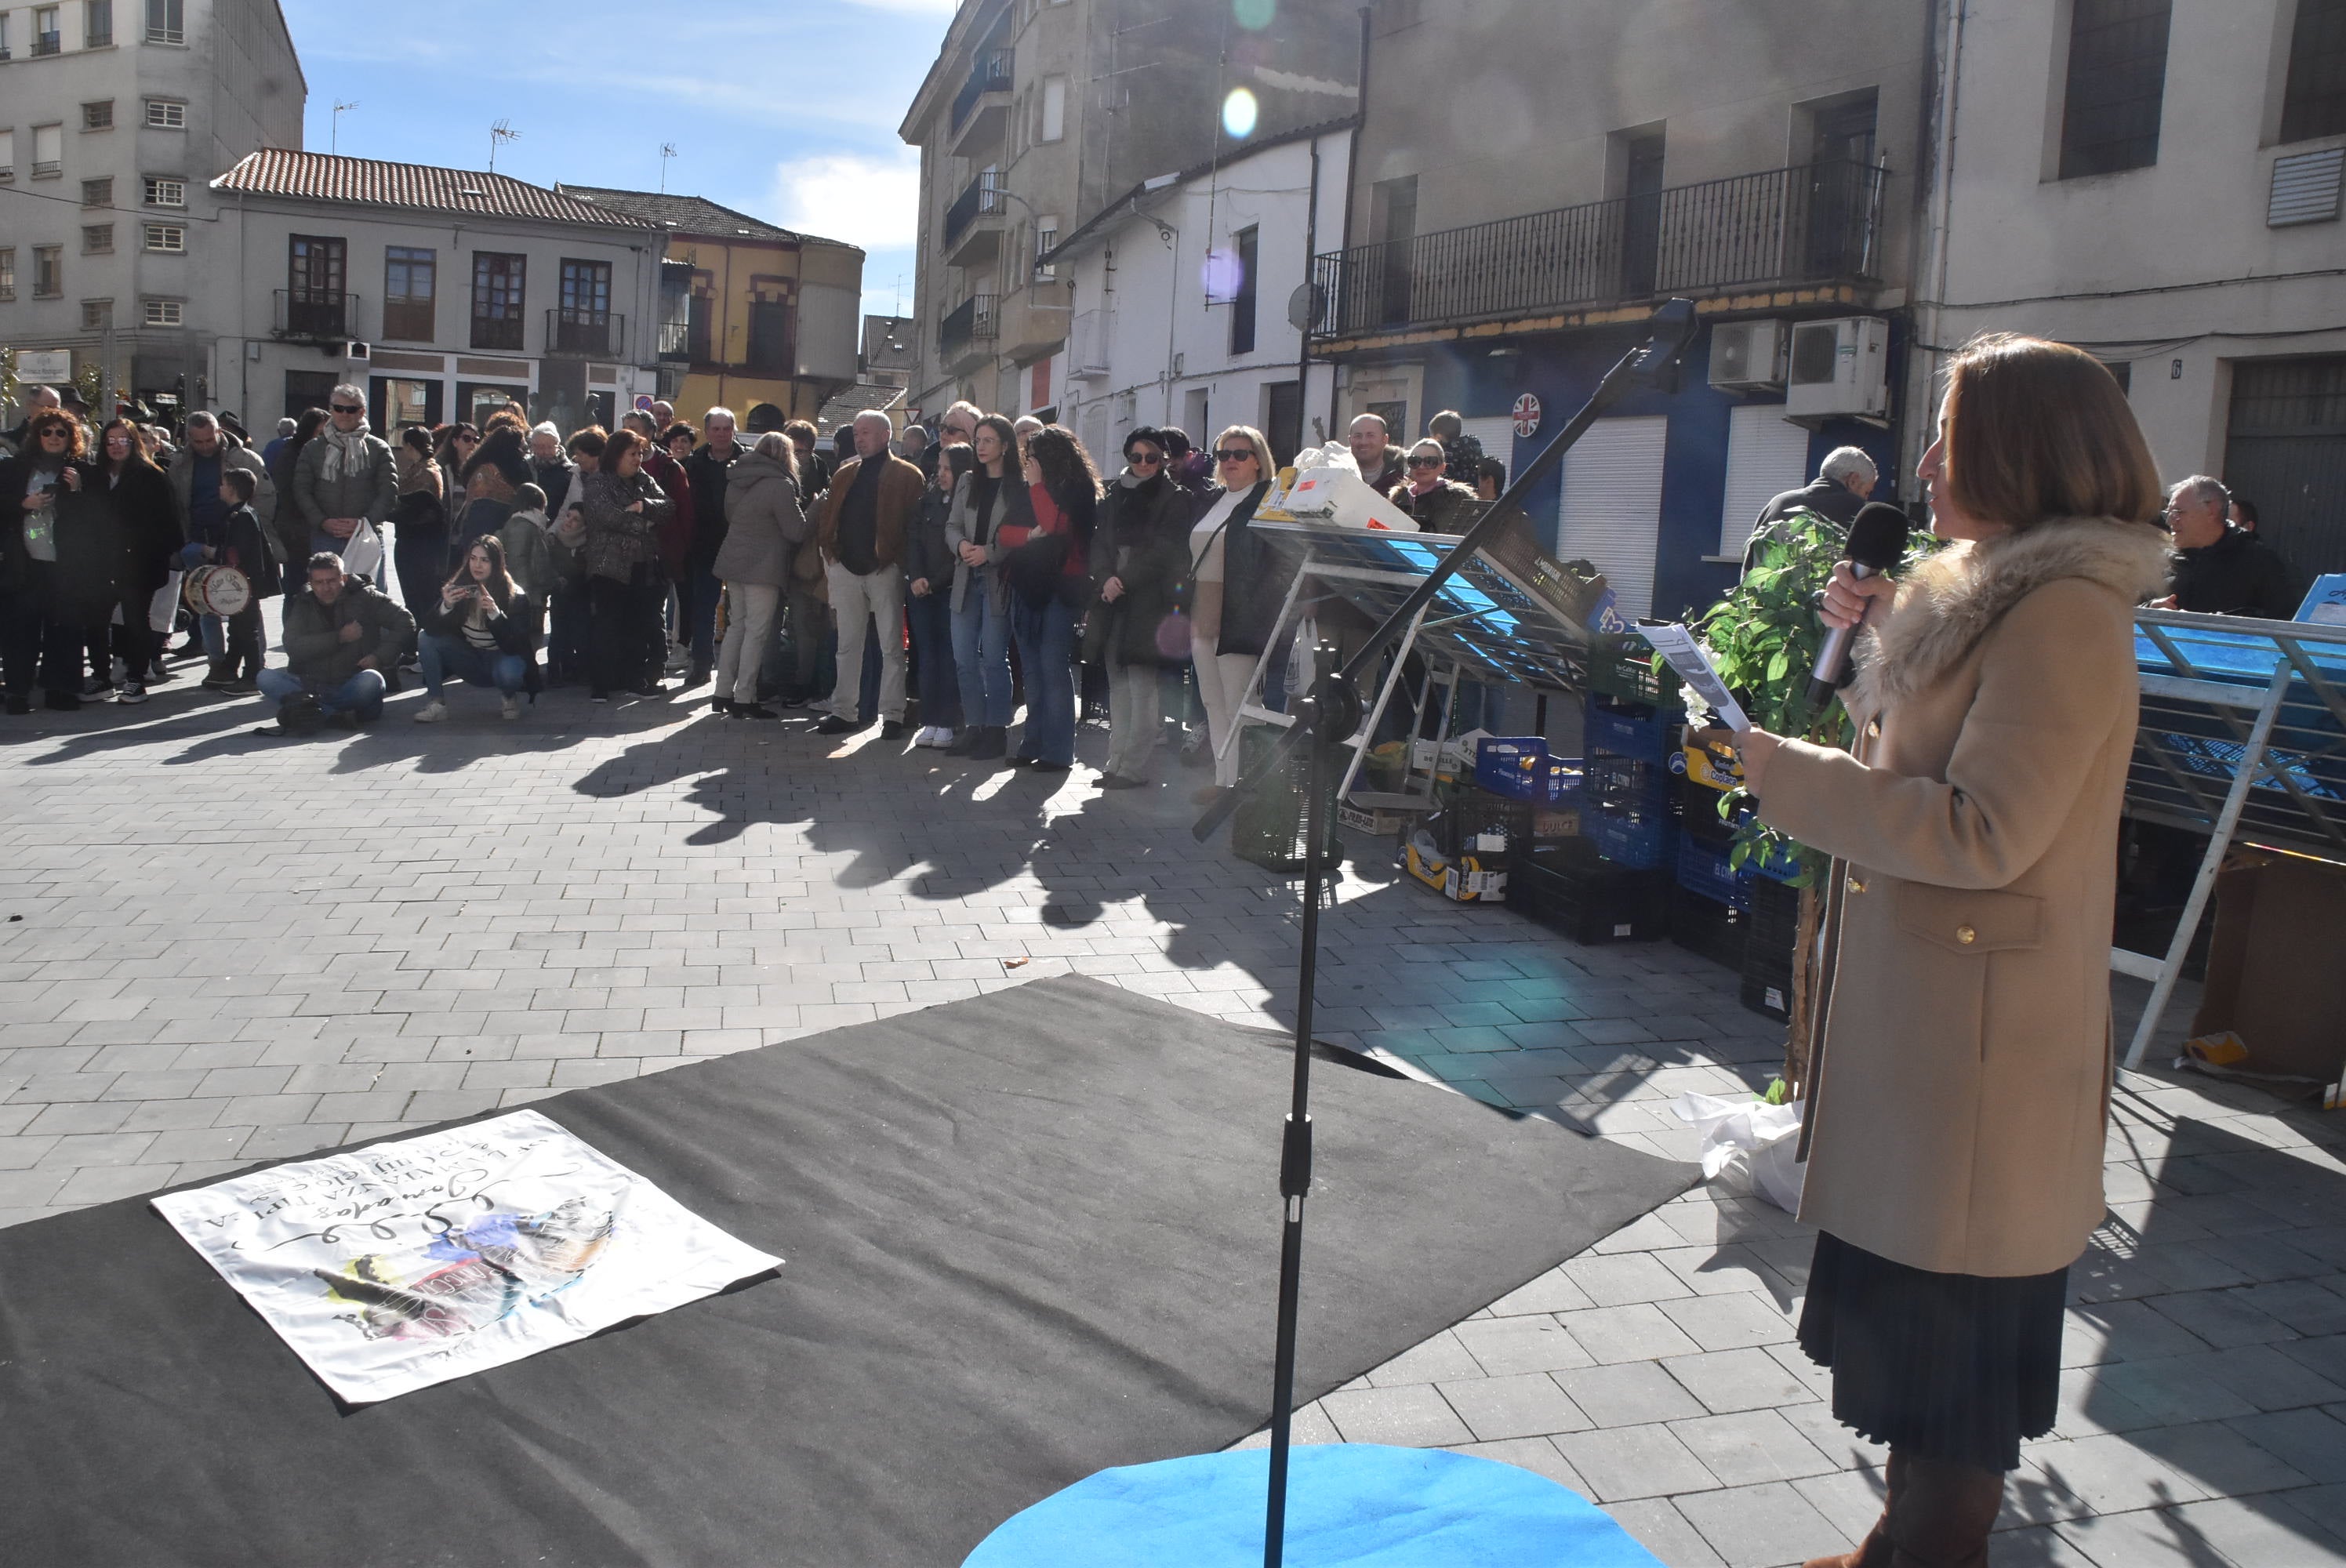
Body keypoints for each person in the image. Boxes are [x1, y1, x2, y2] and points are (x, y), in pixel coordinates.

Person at [1727, 336, 2172, 1568]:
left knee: (1956, 1332)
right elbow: (1915, 764)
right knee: (1913, 1321)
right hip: (1935, 1023)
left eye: (1950, 437)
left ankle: (1933, 1541)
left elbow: (1986, 830)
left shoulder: (2070, 615)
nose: (1923, 464)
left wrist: (1790, 778)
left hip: (1983, 1047)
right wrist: (1878, 647)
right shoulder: (1981, 586)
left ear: (2023, 455)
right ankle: (1902, 1532)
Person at [1087, 426, 1197, 788]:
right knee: (1117, 686)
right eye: (1136, 457)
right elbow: (1099, 541)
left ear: (1163, 459)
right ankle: (1115, 761)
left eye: (1152, 458)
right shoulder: (1113, 495)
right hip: (1111, 600)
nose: (1144, 464)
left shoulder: (1175, 498)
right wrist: (1105, 578)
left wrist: (1123, 581)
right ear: (1127, 458)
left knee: (1142, 690)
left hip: (1149, 602)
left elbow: (1165, 551)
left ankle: (1133, 768)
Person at [813, 411, 923, 739]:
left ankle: (892, 715)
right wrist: (830, 555)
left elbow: (913, 525)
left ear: (886, 434)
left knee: (891, 645)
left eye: (866, 432)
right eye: (856, 433)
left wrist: (896, 560)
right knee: (847, 645)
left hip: (885, 568)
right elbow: (828, 516)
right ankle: (844, 712)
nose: (859, 438)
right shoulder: (845, 473)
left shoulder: (908, 475)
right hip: (845, 568)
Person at [997, 425, 1100, 772]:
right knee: (1033, 672)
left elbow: (1054, 524)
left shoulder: (1078, 490)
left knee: (1053, 669)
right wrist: (1031, 535)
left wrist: (1038, 487)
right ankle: (1032, 743)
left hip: (1060, 589)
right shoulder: (1028, 489)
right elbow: (1005, 533)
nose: (1028, 464)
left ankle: (1058, 752)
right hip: (1026, 587)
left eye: (1033, 458)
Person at [1186, 426, 1280, 802]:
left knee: (1241, 701)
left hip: (1239, 609)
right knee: (1212, 699)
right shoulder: (1213, 499)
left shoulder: (1267, 501)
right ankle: (1224, 780)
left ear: (1258, 460)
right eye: (1224, 455)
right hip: (1202, 607)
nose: (1230, 462)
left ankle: (1250, 783)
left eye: (1240, 454)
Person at [1, 412, 107, 712]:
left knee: (66, 630)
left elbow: (99, 519)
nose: (54, 438)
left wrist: (76, 492)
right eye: (47, 432)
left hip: (66, 565)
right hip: (24, 563)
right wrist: (24, 504)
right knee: (21, 632)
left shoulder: (82, 471)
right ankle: (18, 692)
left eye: (61, 433)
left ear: (71, 438)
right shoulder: (14, 469)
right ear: (37, 436)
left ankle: (61, 689)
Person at [944, 416, 1026, 760]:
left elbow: (1021, 532)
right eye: (978, 439)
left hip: (998, 579)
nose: (980, 446)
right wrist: (961, 545)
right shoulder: (966, 481)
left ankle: (996, 730)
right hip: (965, 577)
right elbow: (952, 525)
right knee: (964, 658)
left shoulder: (1018, 484)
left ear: (1006, 446)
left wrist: (990, 553)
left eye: (989, 440)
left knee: (994, 657)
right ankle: (975, 726)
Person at [710, 431, 806, 720]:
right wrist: (815, 508)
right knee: (757, 632)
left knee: (736, 627)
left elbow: (731, 517)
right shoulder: (780, 485)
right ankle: (745, 697)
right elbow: (796, 531)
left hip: (734, 561)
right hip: (764, 567)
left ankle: (722, 691)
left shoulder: (737, 477)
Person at [166, 414, 278, 663]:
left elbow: (266, 500)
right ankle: (216, 662)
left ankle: (256, 660)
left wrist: (252, 534)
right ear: (190, 439)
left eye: (210, 439)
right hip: (196, 540)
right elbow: (175, 503)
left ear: (219, 432)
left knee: (245, 601)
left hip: (236, 541)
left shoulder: (245, 459)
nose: (206, 446)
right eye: (199, 441)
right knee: (205, 604)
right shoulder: (180, 463)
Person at [86, 418, 182, 703]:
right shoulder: (96, 475)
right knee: (96, 620)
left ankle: (136, 680)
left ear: (134, 443)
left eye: (123, 440)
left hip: (139, 563)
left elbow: (169, 525)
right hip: (103, 562)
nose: (117, 447)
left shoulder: (150, 476)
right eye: (111, 441)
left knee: (136, 621)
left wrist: (150, 554)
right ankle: (101, 677)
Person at [575, 428, 672, 702]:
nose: (638, 459)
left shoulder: (644, 480)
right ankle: (601, 685)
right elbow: (607, 517)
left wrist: (644, 508)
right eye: (633, 453)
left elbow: (668, 506)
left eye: (641, 453)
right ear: (617, 455)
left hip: (642, 565)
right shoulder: (598, 483)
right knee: (607, 625)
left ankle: (636, 679)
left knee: (638, 626)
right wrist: (646, 523)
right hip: (609, 566)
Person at [413, 535, 540, 724]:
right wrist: (445, 606)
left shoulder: (515, 595)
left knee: (510, 671)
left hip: (501, 658)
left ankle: (509, 697)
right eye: (473, 558)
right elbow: (430, 629)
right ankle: (437, 704)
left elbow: (517, 645)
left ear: (496, 563)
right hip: (470, 658)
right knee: (425, 638)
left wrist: (495, 615)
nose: (477, 565)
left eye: (484, 560)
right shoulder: (461, 586)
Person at [188, 467, 282, 695]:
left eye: (223, 484)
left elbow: (238, 553)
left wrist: (215, 554)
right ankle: (229, 668)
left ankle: (253, 675)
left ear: (231, 489)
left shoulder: (241, 517)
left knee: (247, 630)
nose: (219, 487)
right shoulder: (242, 513)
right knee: (238, 628)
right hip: (243, 582)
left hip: (244, 583)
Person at [905, 441, 973, 748]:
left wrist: (933, 582)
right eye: (940, 468)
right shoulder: (929, 499)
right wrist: (917, 576)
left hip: (949, 590)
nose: (942, 474)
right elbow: (914, 538)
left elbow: (958, 552)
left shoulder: (968, 504)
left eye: (948, 468)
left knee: (949, 656)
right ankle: (929, 719)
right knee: (928, 656)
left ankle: (948, 720)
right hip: (922, 590)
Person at [2159, 474, 2297, 618]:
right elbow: (2136, 606)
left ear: (2211, 510)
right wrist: (2149, 608)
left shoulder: (2259, 561)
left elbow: (2284, 621)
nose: (2169, 521)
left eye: (2177, 512)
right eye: (2167, 513)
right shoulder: (2162, 561)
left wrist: (2226, 623)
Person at [292, 385, 397, 572]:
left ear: (362, 412)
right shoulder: (313, 448)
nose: (344, 414)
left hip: (366, 535)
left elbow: (389, 492)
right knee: (326, 595)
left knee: (370, 597)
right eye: (339, 408)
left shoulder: (379, 449)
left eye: (351, 409)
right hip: (325, 535)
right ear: (331, 410)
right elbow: (301, 490)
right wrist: (322, 521)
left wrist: (364, 523)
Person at [681, 408, 746, 686]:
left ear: (734, 430)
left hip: (740, 544)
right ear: (706, 432)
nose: (721, 434)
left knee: (741, 612)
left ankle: (740, 669)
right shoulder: (692, 463)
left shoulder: (748, 461)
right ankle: (702, 664)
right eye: (716, 429)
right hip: (703, 545)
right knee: (703, 608)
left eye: (726, 428)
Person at [1741, 445, 1877, 572]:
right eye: (1866, 492)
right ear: (1853, 480)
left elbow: (1748, 569)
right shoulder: (1860, 510)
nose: (1865, 498)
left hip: (1764, 594)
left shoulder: (1778, 502)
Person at [388, 425, 448, 628]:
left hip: (417, 542)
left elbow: (413, 509)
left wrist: (386, 513)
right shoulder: (424, 468)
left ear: (409, 445)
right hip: (416, 541)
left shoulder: (424, 472)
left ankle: (423, 639)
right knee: (418, 595)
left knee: (418, 595)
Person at [455, 419, 531, 550]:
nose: (524, 453)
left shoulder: (479, 468)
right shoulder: (512, 473)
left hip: (472, 537)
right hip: (498, 538)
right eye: (522, 448)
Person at [1388, 438, 1480, 532]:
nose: (1421, 466)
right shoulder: (1398, 499)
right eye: (1414, 461)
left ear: (1442, 467)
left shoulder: (1459, 502)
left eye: (1430, 462)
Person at [528, 423, 577, 517]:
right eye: (541, 447)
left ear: (558, 445)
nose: (545, 452)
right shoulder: (527, 466)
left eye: (550, 447)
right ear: (533, 446)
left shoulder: (569, 471)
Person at [1347, 412, 1404, 493]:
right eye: (1358, 436)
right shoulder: (1335, 474)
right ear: (1350, 440)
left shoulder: (1403, 476)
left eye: (1370, 435)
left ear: (1385, 439)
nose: (1364, 442)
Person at [1428, 410, 1486, 487]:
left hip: (1450, 495)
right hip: (1473, 494)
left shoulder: (1444, 455)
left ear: (1439, 437)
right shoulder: (1472, 447)